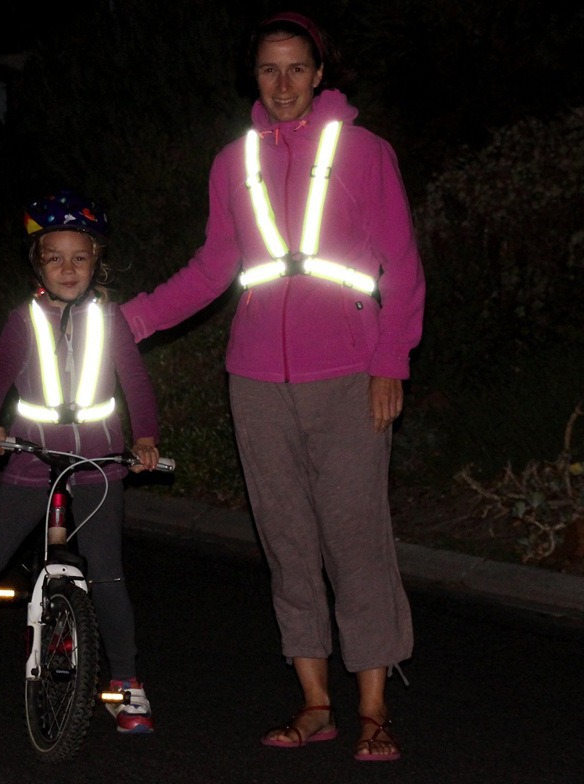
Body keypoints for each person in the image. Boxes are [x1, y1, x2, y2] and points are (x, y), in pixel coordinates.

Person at [120, 10, 425, 761]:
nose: (283, 84)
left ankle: (375, 709)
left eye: (297, 68)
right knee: (286, 542)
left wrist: (392, 359)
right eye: (268, 70)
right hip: (255, 378)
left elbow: (404, 267)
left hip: (349, 373)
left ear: (320, 73)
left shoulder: (364, 152)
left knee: (356, 540)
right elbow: (213, 267)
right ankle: (316, 701)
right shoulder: (235, 162)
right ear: (253, 78)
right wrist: (129, 321)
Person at [0, 189, 161, 738]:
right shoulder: (24, 320)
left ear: (96, 262)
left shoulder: (111, 321)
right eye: (55, 256)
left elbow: (136, 383)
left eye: (80, 257)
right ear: (38, 262)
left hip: (99, 463)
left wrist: (149, 439)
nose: (69, 268)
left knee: (107, 575)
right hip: (32, 458)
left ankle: (127, 685)